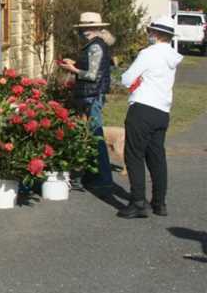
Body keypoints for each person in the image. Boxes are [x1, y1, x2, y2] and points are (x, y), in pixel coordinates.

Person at [117, 16, 183, 219]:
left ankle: (138, 201)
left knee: (134, 155)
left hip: (143, 107)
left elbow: (126, 79)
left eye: (150, 32)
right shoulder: (172, 56)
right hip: (162, 110)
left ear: (155, 34)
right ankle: (159, 202)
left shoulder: (148, 53)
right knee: (157, 156)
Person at [58, 12, 115, 193]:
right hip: (92, 94)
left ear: (89, 29)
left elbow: (92, 75)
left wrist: (72, 68)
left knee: (96, 136)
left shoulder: (95, 47)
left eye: (83, 29)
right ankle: (94, 176)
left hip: (92, 95)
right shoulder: (95, 45)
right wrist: (75, 63)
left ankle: (103, 178)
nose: (82, 32)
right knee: (92, 136)